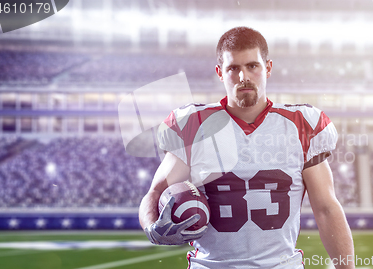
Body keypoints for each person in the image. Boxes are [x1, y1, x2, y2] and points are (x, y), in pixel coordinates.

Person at [139, 26, 355, 269]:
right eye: (234, 68)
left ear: (268, 68)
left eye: (252, 66)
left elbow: (326, 209)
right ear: (220, 73)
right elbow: (155, 194)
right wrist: (151, 227)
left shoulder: (301, 125)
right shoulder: (194, 125)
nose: (244, 77)